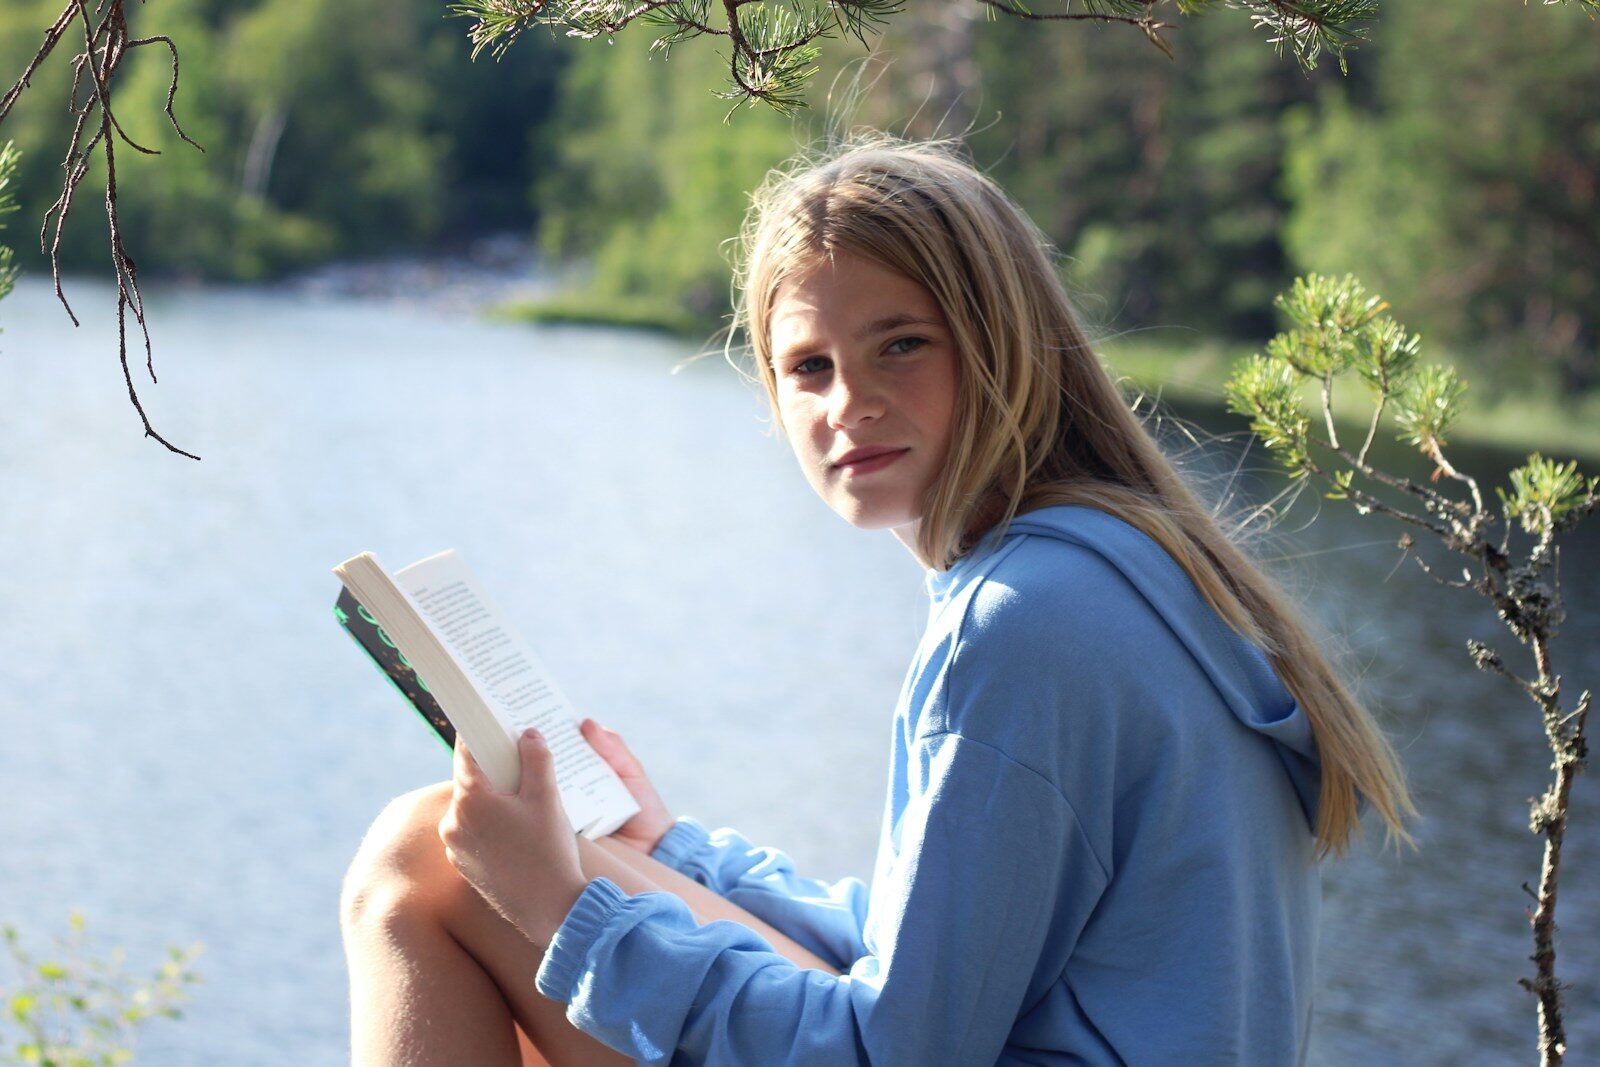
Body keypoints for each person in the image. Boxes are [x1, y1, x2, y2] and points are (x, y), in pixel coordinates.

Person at [339, 134, 1415, 1066]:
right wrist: (671, 851)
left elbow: (891, 1047)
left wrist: (561, 909)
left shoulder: (1022, 620)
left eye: (900, 343)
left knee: (428, 858)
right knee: (462, 846)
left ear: (999, 338)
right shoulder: (1122, 564)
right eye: (808, 367)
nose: (851, 402)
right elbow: (937, 952)